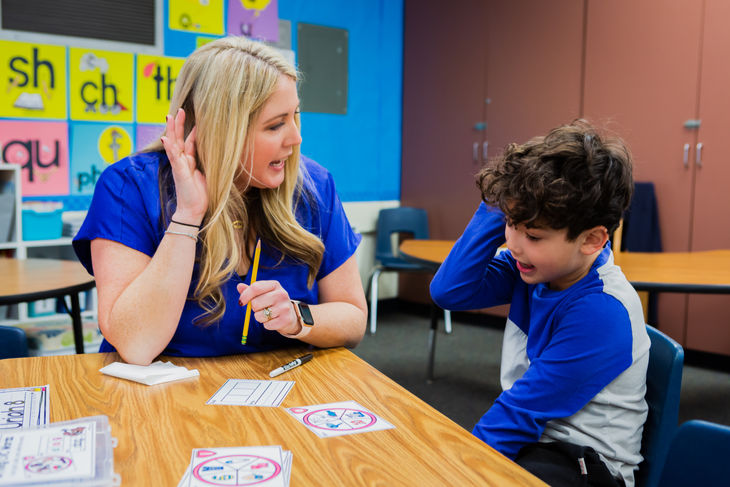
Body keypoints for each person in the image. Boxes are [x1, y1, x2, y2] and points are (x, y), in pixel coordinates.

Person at [73, 37, 367, 365]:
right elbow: (136, 345)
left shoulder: (314, 186)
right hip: (163, 396)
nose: (296, 138)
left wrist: (300, 318)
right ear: (221, 131)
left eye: (295, 116)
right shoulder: (128, 186)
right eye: (275, 125)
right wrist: (187, 216)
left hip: (279, 388)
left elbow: (353, 319)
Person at [430, 120, 650, 487]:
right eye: (511, 224)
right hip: (536, 440)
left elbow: (518, 415)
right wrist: (496, 204)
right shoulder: (533, 267)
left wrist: (458, 472)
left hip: (585, 465)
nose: (514, 244)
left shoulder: (602, 311)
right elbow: (449, 292)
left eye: (532, 234)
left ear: (593, 240)